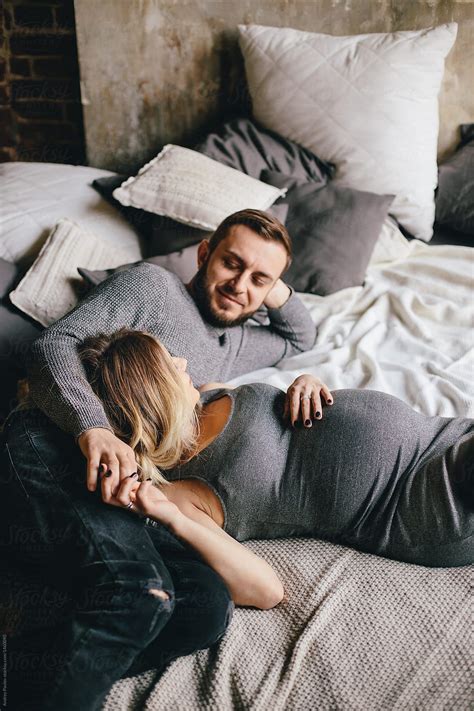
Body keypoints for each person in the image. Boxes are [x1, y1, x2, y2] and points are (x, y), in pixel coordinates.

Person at [1, 209, 318, 710]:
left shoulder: (234, 343)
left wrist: (264, 281)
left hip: (129, 486)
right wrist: (94, 428)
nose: (239, 286)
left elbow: (301, 336)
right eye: (231, 264)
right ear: (204, 253)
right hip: (53, 441)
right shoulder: (152, 287)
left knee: (205, 608)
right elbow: (52, 345)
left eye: (259, 279)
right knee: (137, 588)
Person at [77, 328, 473, 604]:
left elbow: (280, 412)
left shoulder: (208, 396)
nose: (181, 361)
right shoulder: (176, 495)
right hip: (425, 500)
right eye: (168, 363)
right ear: (151, 390)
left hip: (446, 435)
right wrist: (173, 520)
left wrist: (305, 382)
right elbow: (265, 590)